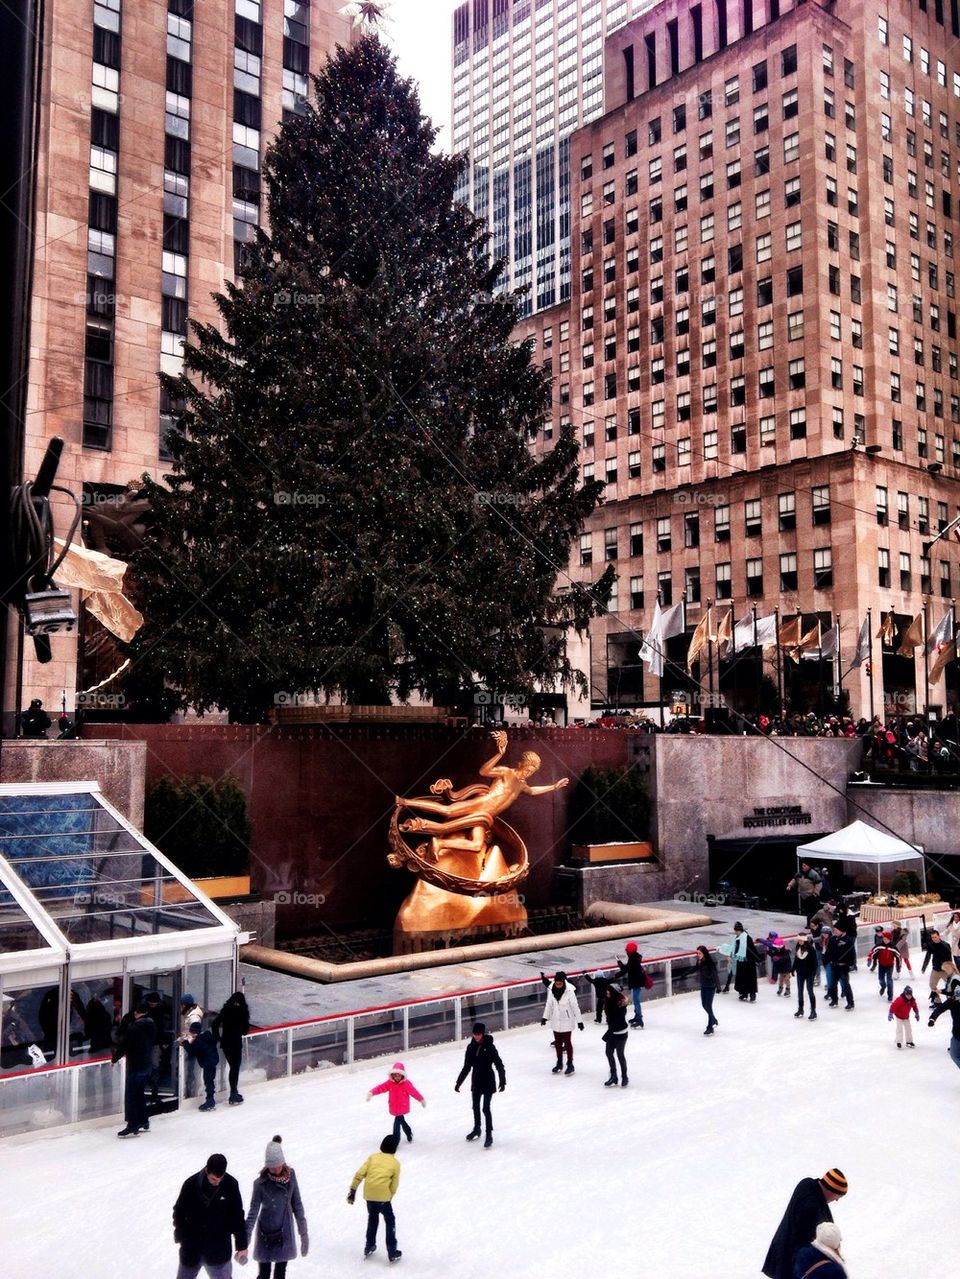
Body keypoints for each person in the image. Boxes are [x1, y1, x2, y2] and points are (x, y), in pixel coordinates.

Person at [761, 1168, 848, 1279]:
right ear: (830, 1190)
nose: (836, 1200)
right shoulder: (812, 1207)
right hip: (792, 1263)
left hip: (781, 1252)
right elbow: (811, 1241)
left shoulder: (807, 1184)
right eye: (837, 1196)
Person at [173, 1152, 248, 1278]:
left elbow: (237, 1217)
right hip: (192, 1249)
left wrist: (242, 1245)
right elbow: (179, 1212)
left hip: (219, 1250)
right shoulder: (190, 1184)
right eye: (214, 1179)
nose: (217, 1183)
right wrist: (183, 1236)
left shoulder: (231, 1185)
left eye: (220, 1179)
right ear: (207, 1170)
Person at [245, 1135, 308, 1279]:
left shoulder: (291, 1177)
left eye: (278, 1165)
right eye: (272, 1167)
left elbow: (297, 1204)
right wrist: (245, 1240)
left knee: (280, 1273)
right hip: (265, 1234)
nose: (276, 1170)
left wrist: (303, 1233)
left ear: (283, 1162)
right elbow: (253, 1213)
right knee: (264, 1274)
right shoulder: (260, 1184)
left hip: (284, 1233)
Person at [347, 1134, 401, 1263]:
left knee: (372, 1219)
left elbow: (359, 1174)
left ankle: (369, 1245)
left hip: (369, 1196)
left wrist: (353, 1190)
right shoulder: (395, 1163)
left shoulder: (373, 1158)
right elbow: (394, 1184)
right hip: (384, 1198)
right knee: (390, 1221)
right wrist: (389, 1196)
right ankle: (392, 1251)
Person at [454, 1020, 506, 1148]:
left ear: (482, 1034)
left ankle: (489, 1134)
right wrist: (459, 1082)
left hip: (488, 1080)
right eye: (475, 1034)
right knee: (475, 1107)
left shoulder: (490, 1047)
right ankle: (477, 1128)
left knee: (486, 1108)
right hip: (476, 1080)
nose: (476, 1036)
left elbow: (499, 1064)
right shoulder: (470, 1047)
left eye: (479, 1034)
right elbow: (467, 1067)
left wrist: (502, 1080)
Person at [112, 1002, 156, 1137]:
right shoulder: (151, 1025)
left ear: (136, 1013)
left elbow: (124, 1045)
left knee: (131, 1095)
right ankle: (143, 1120)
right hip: (147, 1064)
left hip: (136, 1064)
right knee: (139, 1093)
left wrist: (115, 1058)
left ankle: (132, 1124)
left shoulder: (134, 1028)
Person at [367, 1061, 426, 1143]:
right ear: (392, 1075)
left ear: (402, 1075)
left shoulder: (406, 1084)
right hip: (394, 1106)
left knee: (397, 1122)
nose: (397, 1077)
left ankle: (395, 1139)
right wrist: (372, 1092)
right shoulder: (390, 1083)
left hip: (402, 1106)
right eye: (395, 1075)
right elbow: (381, 1088)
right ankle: (409, 1132)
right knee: (401, 1120)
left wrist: (421, 1099)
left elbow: (414, 1092)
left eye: (399, 1075)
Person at [540, 970, 584, 1074]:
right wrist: (545, 1017)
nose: (558, 985)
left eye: (560, 983)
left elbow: (575, 1007)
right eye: (557, 983)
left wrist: (580, 1021)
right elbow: (549, 1004)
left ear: (563, 982)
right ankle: (559, 1063)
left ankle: (570, 1064)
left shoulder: (569, 991)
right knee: (558, 1043)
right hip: (556, 1019)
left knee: (567, 1042)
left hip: (567, 1020)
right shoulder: (551, 990)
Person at [212, 991, 250, 1106]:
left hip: (226, 1043)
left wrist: (218, 1038)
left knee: (232, 1066)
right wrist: (240, 1031)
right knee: (235, 1067)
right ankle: (233, 1092)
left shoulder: (226, 1009)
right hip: (236, 1043)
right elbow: (245, 1030)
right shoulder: (242, 1011)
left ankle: (234, 1092)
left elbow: (215, 1024)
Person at [180, 1020, 220, 1111]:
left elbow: (192, 1051)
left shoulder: (199, 1041)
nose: (191, 1034)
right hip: (213, 1061)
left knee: (208, 1081)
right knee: (210, 1080)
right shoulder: (207, 1035)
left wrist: (185, 1043)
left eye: (191, 1033)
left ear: (195, 1032)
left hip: (208, 1063)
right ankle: (210, 1099)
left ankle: (210, 1101)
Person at [928, 975, 960, 1070]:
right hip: (957, 1035)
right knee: (954, 1055)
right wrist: (932, 1018)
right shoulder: (952, 1001)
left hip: (957, 1034)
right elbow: (940, 1009)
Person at [601, 982, 630, 1084]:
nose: (607, 992)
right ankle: (614, 1076)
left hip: (620, 1032)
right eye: (607, 991)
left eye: (609, 991)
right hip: (612, 1031)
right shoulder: (608, 1001)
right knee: (608, 1053)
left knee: (620, 1054)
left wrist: (608, 1033)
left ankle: (624, 1077)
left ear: (614, 992)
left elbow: (616, 1020)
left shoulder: (620, 1004)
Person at [921, 928, 957, 1003]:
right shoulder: (931, 945)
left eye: (935, 937)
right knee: (932, 985)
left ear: (939, 936)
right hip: (935, 970)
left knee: (950, 986)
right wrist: (924, 967)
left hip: (945, 970)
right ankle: (937, 1002)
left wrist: (951, 970)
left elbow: (949, 959)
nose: (934, 939)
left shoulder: (945, 945)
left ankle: (952, 1000)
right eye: (932, 937)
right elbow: (928, 956)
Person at [616, 941, 647, 1027]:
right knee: (635, 1000)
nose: (626, 951)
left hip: (636, 982)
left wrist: (618, 962)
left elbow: (625, 969)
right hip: (637, 982)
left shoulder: (633, 959)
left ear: (630, 950)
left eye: (627, 950)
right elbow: (627, 969)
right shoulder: (635, 957)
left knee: (636, 1001)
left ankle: (639, 1019)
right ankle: (637, 1016)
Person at [825, 925, 855, 1010]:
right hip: (834, 965)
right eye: (834, 930)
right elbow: (828, 951)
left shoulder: (848, 940)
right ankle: (834, 1000)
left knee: (845, 984)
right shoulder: (832, 939)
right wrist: (827, 959)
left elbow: (852, 953)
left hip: (843, 966)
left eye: (837, 930)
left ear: (842, 930)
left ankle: (850, 1003)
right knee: (833, 984)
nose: (835, 931)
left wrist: (850, 963)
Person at [868, 931, 902, 1001]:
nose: (885, 940)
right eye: (884, 939)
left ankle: (890, 995)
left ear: (890, 939)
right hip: (881, 965)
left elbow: (899, 957)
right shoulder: (879, 946)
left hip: (890, 966)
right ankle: (883, 986)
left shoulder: (893, 947)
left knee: (889, 981)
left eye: (886, 939)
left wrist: (898, 966)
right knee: (881, 979)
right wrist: (870, 959)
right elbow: (872, 952)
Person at [695, 945, 719, 1036]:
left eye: (700, 953)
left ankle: (710, 1027)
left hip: (711, 986)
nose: (698, 955)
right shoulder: (699, 961)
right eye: (697, 953)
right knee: (704, 1005)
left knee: (708, 1006)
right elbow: (694, 968)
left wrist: (718, 987)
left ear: (704, 953)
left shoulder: (709, 962)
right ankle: (714, 1020)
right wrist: (685, 973)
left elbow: (715, 974)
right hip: (704, 986)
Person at [732, 922, 760, 1002]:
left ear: (740, 930)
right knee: (742, 978)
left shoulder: (747, 938)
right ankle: (744, 993)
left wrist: (757, 959)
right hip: (741, 961)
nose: (735, 932)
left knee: (750, 979)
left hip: (749, 962)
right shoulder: (737, 938)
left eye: (737, 931)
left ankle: (752, 994)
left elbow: (752, 949)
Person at [792, 935, 818, 1021]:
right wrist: (793, 969)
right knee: (800, 991)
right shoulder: (798, 947)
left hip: (809, 973)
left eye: (801, 940)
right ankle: (800, 1009)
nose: (799, 941)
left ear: (805, 940)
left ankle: (813, 1011)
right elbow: (796, 959)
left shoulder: (811, 949)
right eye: (799, 940)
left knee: (810, 991)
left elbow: (815, 963)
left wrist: (813, 973)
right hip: (800, 973)